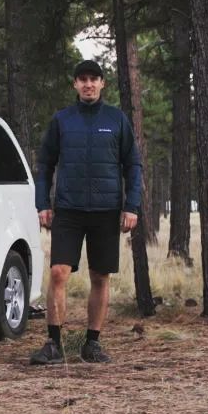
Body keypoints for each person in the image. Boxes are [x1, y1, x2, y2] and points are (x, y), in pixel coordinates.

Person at [29, 59, 141, 365]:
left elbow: (133, 165)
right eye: (83, 79)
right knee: (58, 273)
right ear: (75, 84)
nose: (88, 84)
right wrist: (43, 204)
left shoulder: (116, 119)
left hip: (106, 211)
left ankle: (92, 343)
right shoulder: (62, 120)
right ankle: (54, 344)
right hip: (68, 209)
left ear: (102, 83)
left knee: (100, 276)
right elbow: (45, 165)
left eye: (94, 79)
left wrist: (131, 206)